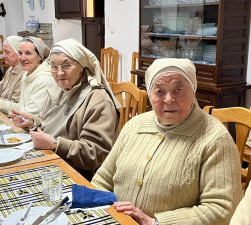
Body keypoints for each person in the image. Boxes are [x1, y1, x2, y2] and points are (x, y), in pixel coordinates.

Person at [91, 58, 243, 225]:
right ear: (149, 94)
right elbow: (102, 179)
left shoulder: (215, 139)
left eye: (178, 90)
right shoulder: (135, 125)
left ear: (193, 91)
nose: (169, 99)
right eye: (159, 92)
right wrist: (102, 212)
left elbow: (222, 209)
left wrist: (154, 222)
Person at [10, 38, 120, 180]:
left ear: (82, 66)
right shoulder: (61, 89)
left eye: (66, 66)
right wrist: (33, 123)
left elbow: (94, 154)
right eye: (54, 66)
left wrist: (55, 144)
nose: (59, 73)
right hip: (52, 160)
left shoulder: (98, 100)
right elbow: (52, 126)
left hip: (80, 175)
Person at [0, 36, 55, 116]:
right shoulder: (27, 74)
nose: (22, 58)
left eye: (28, 53)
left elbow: (31, 115)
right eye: (20, 53)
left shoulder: (44, 79)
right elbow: (21, 107)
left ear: (40, 56)